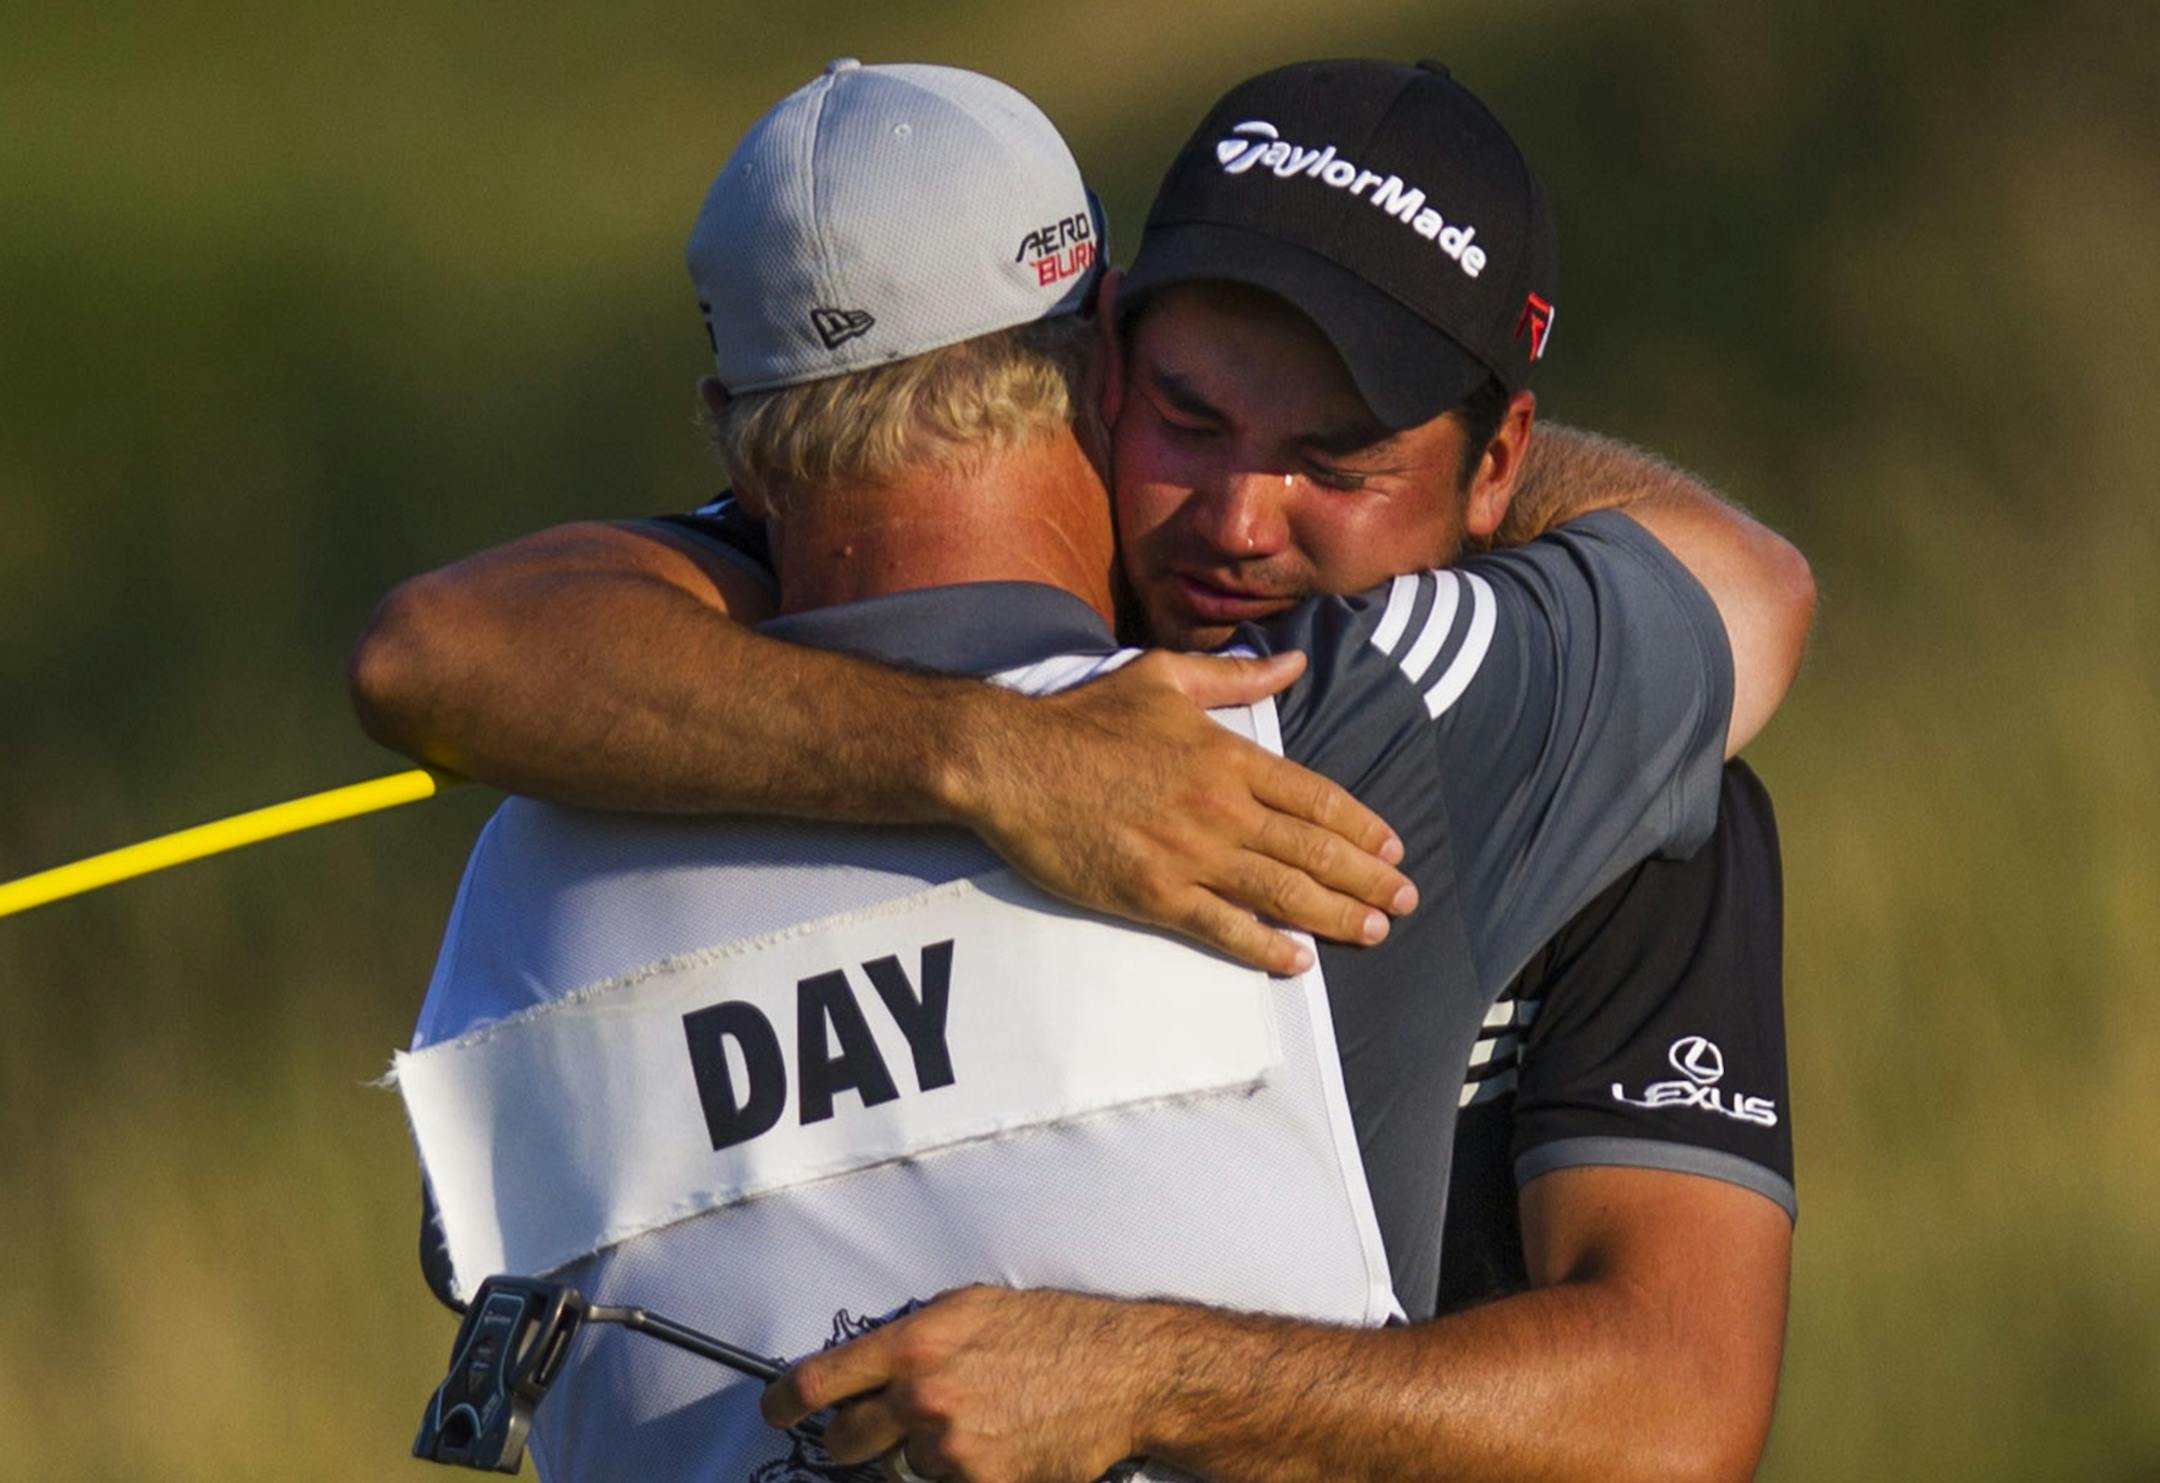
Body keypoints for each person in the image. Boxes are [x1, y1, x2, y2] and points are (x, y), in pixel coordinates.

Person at [364, 60, 1811, 1483]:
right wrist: (997, 761)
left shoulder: (537, 841)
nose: (1241, 519)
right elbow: (1747, 590)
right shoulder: (1357, 720)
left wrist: (1134, 1375)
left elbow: (427, 657)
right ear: (1101, 355)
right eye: (1192, 416)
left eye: (1339, 454)